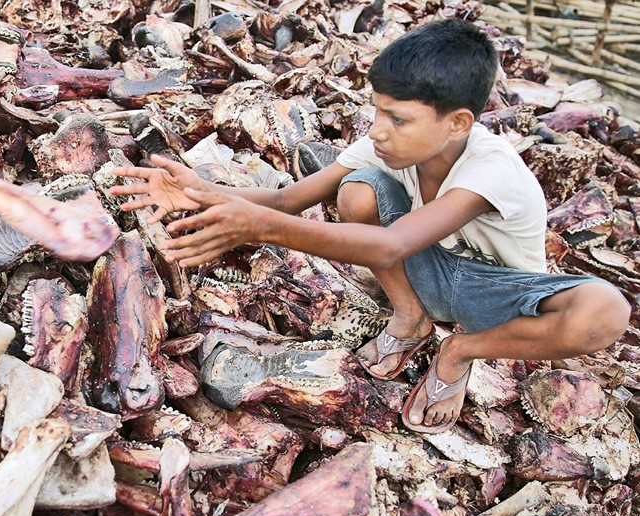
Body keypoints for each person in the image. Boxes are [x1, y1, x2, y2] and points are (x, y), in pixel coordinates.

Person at [109, 19, 630, 434]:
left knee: (605, 311)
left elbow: (392, 243)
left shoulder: (489, 168)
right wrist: (201, 191)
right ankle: (410, 318)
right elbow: (288, 198)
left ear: (458, 123)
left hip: (491, 293)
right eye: (376, 110)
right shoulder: (387, 144)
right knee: (357, 187)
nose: (378, 130)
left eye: (398, 118)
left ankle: (461, 350)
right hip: (428, 268)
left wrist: (259, 228)